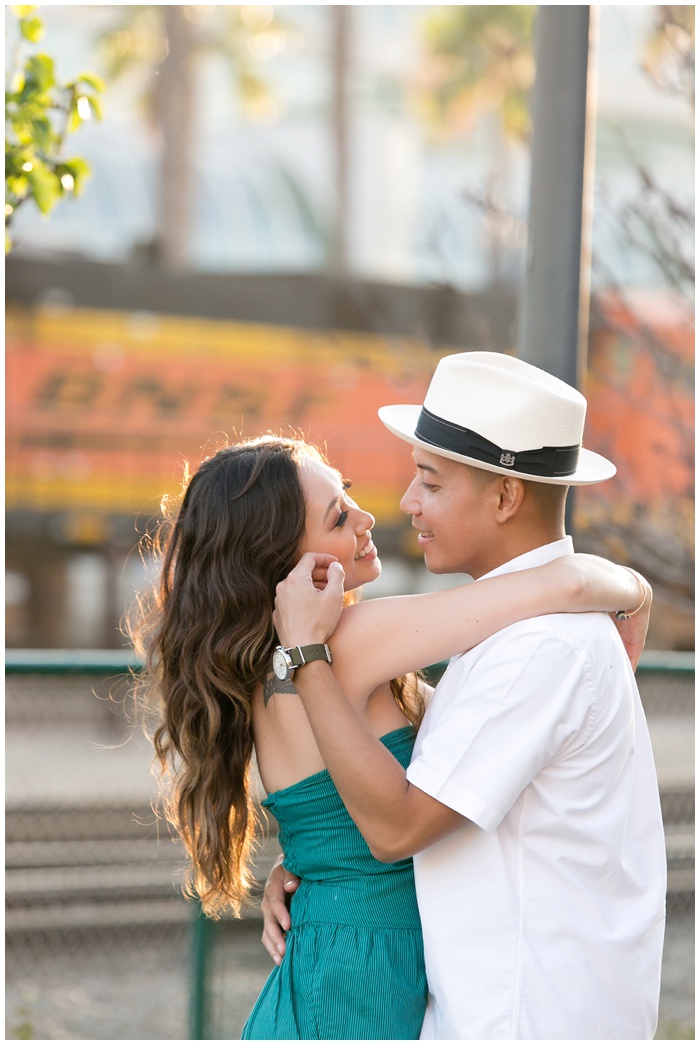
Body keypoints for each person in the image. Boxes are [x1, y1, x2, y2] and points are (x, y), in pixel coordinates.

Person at [127, 425, 651, 1042]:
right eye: (338, 515)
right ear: (287, 561)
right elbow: (561, 585)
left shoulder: (277, 661)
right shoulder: (347, 644)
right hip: (363, 969)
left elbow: (376, 779)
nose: (368, 515)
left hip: (345, 947)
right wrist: (636, 593)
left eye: (347, 495)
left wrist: (311, 867)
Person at [264, 351, 666, 1041]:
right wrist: (319, 858)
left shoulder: (538, 648)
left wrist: (306, 657)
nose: (405, 503)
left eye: (430, 482)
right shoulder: (508, 630)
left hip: (525, 1018)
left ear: (505, 497)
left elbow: (397, 828)